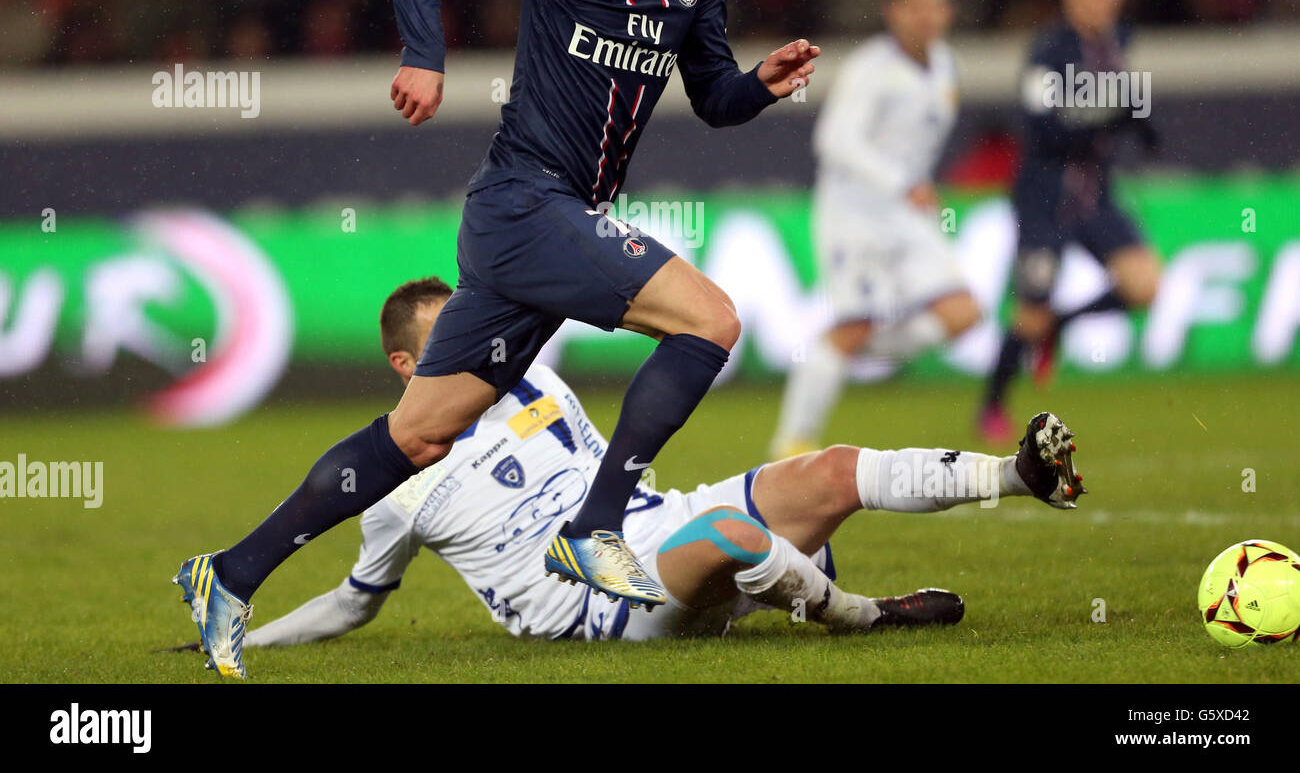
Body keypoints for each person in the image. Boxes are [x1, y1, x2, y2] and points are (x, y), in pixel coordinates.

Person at [174, 0, 821, 679]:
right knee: (710, 321)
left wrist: (762, 84)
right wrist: (423, 55)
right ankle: (595, 528)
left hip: (542, 227)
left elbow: (712, 97)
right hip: (527, 205)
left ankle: (231, 574)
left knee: (421, 435)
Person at [215, 277, 1085, 656]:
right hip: (603, 603)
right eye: (453, 338)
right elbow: (354, 607)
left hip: (650, 532)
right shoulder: (392, 482)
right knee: (731, 532)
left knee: (829, 469)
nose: (481, 342)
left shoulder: (531, 375)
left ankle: (1016, 477)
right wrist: (245, 630)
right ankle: (860, 617)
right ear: (408, 369)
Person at [770, 0, 980, 460]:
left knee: (963, 314)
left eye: (935, 5)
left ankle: (842, 355)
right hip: (854, 214)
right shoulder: (870, 68)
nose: (925, 16)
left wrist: (915, 188)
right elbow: (835, 140)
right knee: (853, 328)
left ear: (948, 13)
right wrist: (903, 183)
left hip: (905, 215)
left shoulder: (947, 65)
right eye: (913, 5)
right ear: (892, 12)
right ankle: (791, 443)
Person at [978, 0, 1161, 442]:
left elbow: (1125, 101)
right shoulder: (1049, 50)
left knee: (1144, 284)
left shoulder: (1120, 38)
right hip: (1044, 198)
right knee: (1029, 313)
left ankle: (1062, 325)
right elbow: (1041, 130)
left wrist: (1143, 125)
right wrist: (1112, 116)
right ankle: (991, 405)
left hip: (1096, 195)